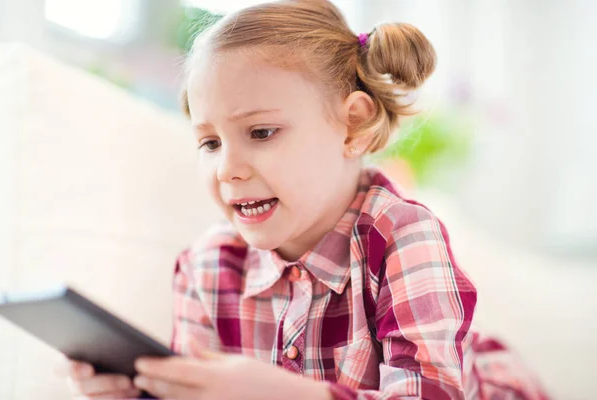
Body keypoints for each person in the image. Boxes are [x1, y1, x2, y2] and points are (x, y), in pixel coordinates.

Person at [57, 0, 549, 398]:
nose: (228, 167)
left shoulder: (401, 236)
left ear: (351, 125)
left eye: (261, 131)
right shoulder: (206, 268)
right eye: (210, 142)